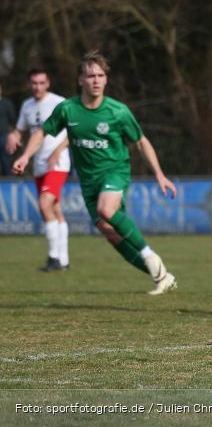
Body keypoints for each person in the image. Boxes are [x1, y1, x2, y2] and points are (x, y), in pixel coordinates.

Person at [12, 52, 178, 295]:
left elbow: (141, 141)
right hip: (88, 181)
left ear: (106, 79)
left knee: (106, 210)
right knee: (111, 234)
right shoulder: (68, 109)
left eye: (100, 75)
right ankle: (163, 276)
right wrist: (26, 156)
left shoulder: (118, 111)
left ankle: (148, 254)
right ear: (80, 80)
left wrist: (160, 175)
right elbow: (42, 132)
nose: (96, 80)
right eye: (90, 76)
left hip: (115, 171)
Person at [6, 69, 72, 271]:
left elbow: (73, 130)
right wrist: (13, 135)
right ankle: (64, 260)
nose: (37, 86)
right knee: (54, 210)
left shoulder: (59, 102)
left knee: (44, 205)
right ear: (29, 84)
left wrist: (57, 152)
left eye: (41, 82)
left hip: (57, 163)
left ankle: (53, 258)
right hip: (39, 164)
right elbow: (20, 129)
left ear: (48, 83)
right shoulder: (27, 105)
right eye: (34, 83)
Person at [0, 84, 16, 175]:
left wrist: (12, 135)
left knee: (7, 163)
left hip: (4, 137)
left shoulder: (7, 103)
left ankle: (9, 185)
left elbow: (13, 120)